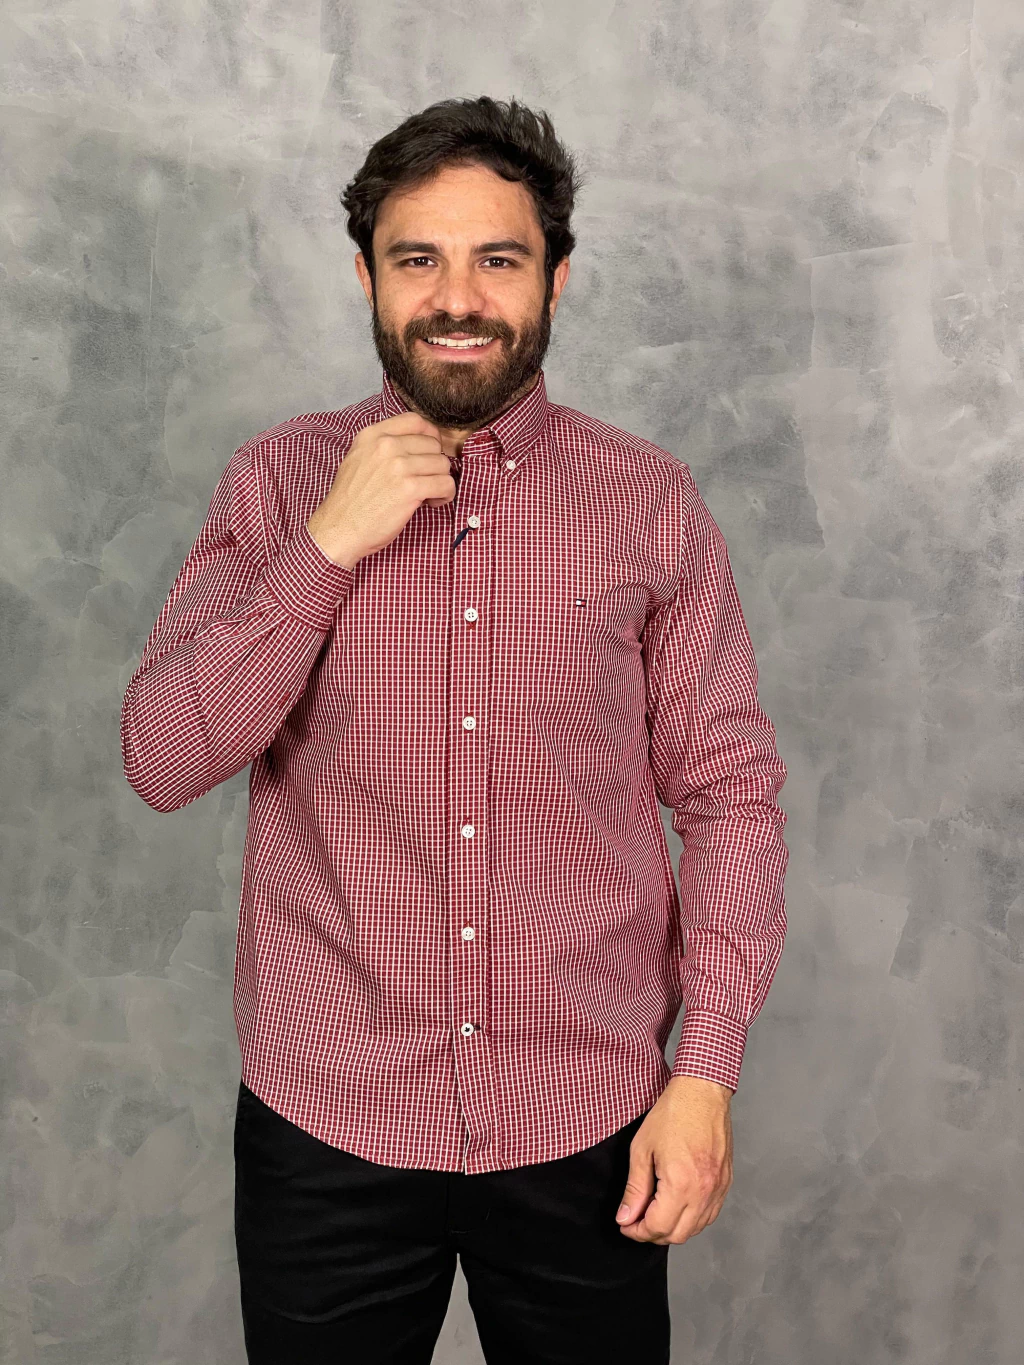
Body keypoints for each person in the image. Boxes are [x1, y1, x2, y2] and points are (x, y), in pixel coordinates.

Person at [121, 95, 790, 1365]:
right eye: (418, 258)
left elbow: (729, 798)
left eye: (499, 258)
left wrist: (703, 1072)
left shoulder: (648, 503)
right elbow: (162, 759)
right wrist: (326, 548)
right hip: (328, 1121)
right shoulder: (277, 482)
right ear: (366, 274)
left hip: (590, 1121)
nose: (458, 299)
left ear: (557, 276)